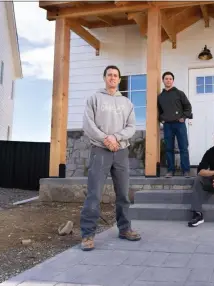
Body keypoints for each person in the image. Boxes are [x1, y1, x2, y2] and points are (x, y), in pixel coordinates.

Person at [80, 65, 141, 251]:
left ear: (119, 79)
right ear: (104, 78)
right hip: (100, 150)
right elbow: (88, 124)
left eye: (116, 75)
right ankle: (88, 235)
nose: (113, 78)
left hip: (121, 151)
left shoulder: (126, 103)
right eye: (109, 75)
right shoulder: (94, 99)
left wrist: (116, 137)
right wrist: (106, 139)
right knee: (94, 194)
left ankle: (124, 229)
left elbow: (131, 127)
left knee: (123, 193)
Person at [157, 71, 192, 178]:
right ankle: (170, 170)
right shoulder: (160, 96)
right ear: (163, 80)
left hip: (179, 125)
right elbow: (159, 111)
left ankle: (185, 171)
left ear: (173, 81)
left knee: (183, 147)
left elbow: (188, 107)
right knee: (168, 148)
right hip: (168, 126)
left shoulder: (179, 93)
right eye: (166, 78)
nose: (168, 80)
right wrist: (161, 119)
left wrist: (184, 117)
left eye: (170, 79)